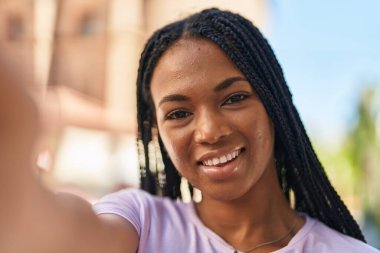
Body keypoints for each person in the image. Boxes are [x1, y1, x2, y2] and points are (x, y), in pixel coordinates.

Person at [0, 8, 378, 253]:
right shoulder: (141, 225)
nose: (210, 131)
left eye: (233, 98)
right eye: (179, 113)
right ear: (156, 131)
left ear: (274, 103)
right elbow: (57, 233)